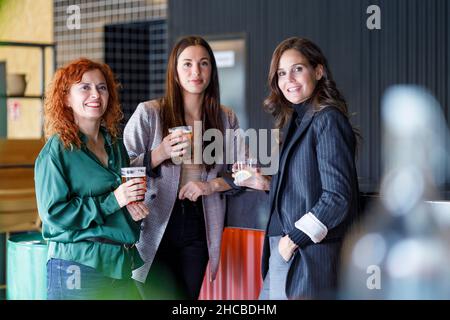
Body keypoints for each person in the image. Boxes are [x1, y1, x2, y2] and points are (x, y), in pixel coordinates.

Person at [236, 37, 359, 299]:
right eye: (281, 73)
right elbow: (305, 186)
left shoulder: (328, 119)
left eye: (297, 69)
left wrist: (291, 241)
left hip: (304, 253)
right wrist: (266, 183)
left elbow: (337, 198)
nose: (288, 79)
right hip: (285, 250)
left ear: (318, 71)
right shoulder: (295, 120)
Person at [123, 35, 241, 300]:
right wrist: (158, 153)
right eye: (187, 64)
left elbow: (241, 171)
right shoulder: (150, 113)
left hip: (199, 223)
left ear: (212, 70)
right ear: (174, 72)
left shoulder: (225, 118)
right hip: (153, 222)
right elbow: (121, 168)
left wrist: (209, 185)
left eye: (203, 63)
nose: (196, 71)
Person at [35, 58, 149, 300]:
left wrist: (130, 206)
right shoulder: (56, 151)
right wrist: (114, 201)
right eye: (84, 87)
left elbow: (120, 194)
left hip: (120, 263)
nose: (95, 94)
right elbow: (54, 214)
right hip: (78, 266)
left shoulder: (115, 143)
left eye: (102, 87)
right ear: (66, 98)